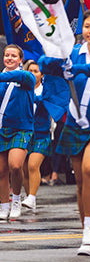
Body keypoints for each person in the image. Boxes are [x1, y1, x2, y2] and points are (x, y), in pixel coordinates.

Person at [39, 9, 90, 256]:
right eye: (87, 26)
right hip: (75, 123)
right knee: (81, 179)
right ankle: (86, 227)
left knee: (89, 167)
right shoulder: (72, 53)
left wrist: (83, 69)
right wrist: (55, 61)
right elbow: (44, 64)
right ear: (81, 29)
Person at [0, 45, 36, 221]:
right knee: (1, 170)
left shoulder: (26, 76)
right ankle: (3, 205)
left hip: (21, 128)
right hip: (1, 128)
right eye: (7, 55)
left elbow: (20, 76)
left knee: (15, 165)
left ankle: (16, 199)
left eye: (14, 55)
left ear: (21, 59)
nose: (9, 58)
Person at [21, 61, 60, 213]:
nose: (33, 73)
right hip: (24, 132)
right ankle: (28, 196)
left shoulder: (46, 90)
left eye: (36, 71)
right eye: (30, 71)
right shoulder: (22, 89)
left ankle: (32, 196)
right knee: (23, 168)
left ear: (42, 74)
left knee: (32, 165)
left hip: (42, 133)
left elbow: (52, 104)